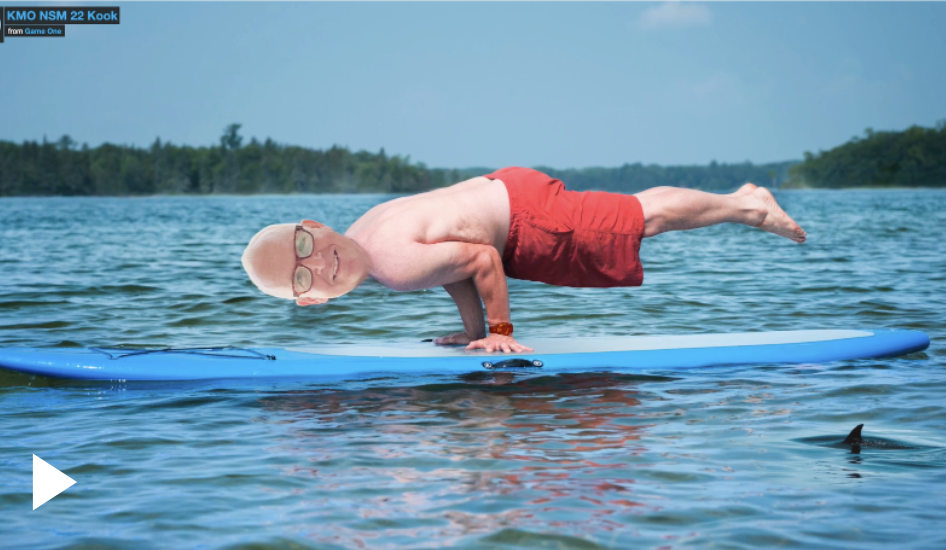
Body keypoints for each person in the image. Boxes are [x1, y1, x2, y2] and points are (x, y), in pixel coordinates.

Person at [241, 167, 806, 353]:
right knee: (637, 218)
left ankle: (746, 205)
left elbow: (483, 258)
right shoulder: (364, 231)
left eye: (305, 248)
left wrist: (502, 331)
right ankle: (743, 205)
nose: (319, 265)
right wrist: (472, 332)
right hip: (509, 196)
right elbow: (452, 263)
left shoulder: (387, 264)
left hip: (526, 218)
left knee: (640, 219)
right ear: (310, 299)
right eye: (301, 275)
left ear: (315, 228)